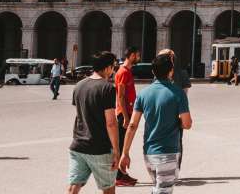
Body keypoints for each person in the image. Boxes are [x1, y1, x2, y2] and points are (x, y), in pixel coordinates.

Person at [119, 54, 192, 194]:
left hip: (149, 153)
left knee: (159, 187)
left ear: (153, 72)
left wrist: (125, 153)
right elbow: (187, 124)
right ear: (171, 72)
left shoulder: (143, 94)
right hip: (168, 153)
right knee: (163, 190)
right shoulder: (178, 93)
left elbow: (132, 125)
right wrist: (176, 121)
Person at [68, 52, 120, 194]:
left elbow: (80, 114)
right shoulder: (107, 87)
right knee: (108, 188)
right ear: (108, 67)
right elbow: (111, 122)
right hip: (99, 148)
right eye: (113, 67)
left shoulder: (79, 85)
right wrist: (116, 150)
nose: (113, 71)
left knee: (74, 186)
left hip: (78, 145)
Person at [114, 47, 140, 187]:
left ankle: (121, 174)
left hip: (127, 112)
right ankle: (118, 176)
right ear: (130, 56)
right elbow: (121, 96)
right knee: (120, 146)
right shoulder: (123, 72)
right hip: (124, 113)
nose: (138, 57)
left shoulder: (127, 71)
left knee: (123, 145)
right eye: (137, 55)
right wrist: (125, 117)